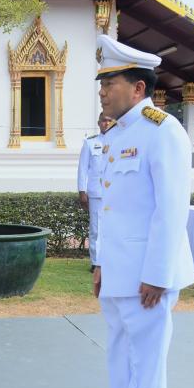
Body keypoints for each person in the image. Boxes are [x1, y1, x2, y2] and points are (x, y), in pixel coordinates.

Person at [83, 35, 194, 388]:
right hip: (118, 272)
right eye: (101, 84)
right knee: (120, 360)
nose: (102, 92)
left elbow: (171, 209)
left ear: (138, 88)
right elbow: (111, 208)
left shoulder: (162, 131)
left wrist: (158, 274)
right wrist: (100, 263)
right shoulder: (117, 135)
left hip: (148, 276)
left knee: (146, 365)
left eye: (109, 83)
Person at [77, 114, 114, 271]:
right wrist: (82, 191)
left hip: (116, 193)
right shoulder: (90, 143)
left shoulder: (120, 141)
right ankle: (96, 262)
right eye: (104, 120)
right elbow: (83, 168)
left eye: (109, 120)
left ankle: (112, 261)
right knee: (96, 229)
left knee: (115, 227)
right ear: (99, 123)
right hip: (96, 193)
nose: (106, 123)